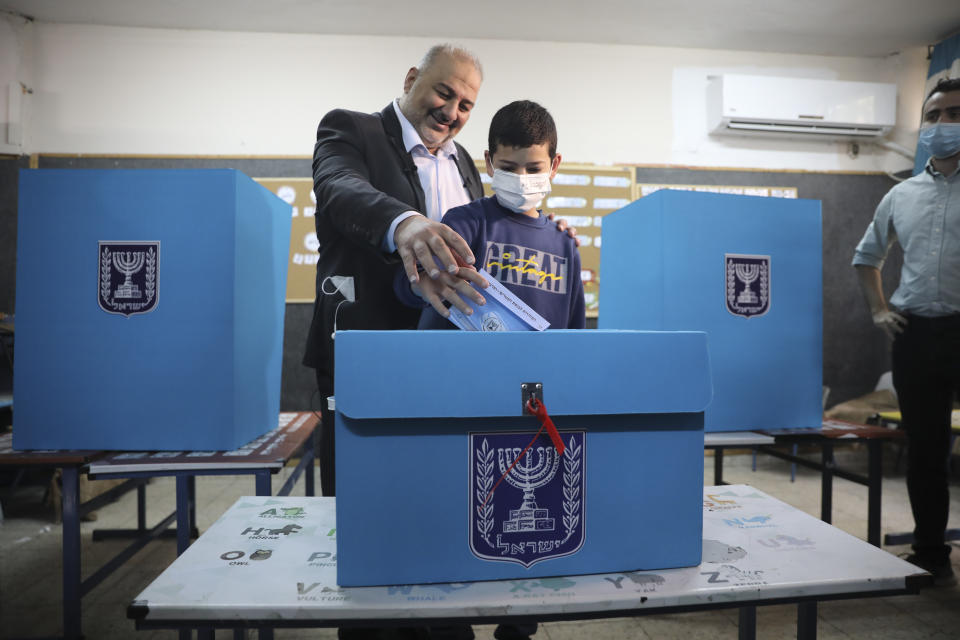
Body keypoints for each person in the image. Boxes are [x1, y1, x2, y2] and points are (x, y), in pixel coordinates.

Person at [853, 76, 960, 587]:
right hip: (917, 334)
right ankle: (932, 551)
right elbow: (866, 258)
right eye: (933, 116)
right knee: (926, 447)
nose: (942, 125)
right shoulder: (902, 196)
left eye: (954, 114)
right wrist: (878, 311)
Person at [396, 100, 585, 332]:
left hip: (542, 367)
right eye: (508, 168)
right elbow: (412, 282)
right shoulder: (465, 224)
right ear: (489, 162)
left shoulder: (564, 243)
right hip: (467, 365)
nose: (521, 178)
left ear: (554, 165)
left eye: (534, 169)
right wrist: (420, 284)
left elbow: (575, 330)